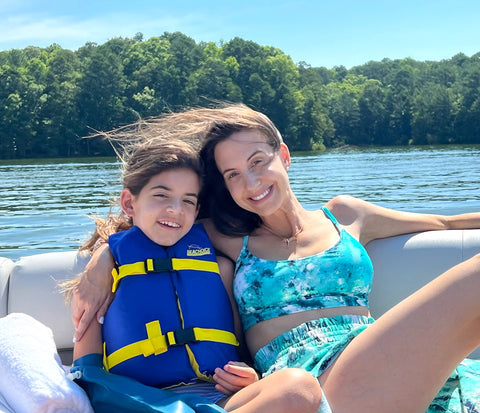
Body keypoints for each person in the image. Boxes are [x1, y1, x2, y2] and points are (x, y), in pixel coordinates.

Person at [73, 104, 480, 413]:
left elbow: (444, 222)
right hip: (308, 381)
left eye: (257, 162)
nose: (250, 183)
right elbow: (153, 229)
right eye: (232, 175)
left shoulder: (346, 214)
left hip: (384, 362)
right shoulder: (225, 237)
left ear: (283, 155)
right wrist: (103, 260)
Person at [70, 139, 324, 413]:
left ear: (197, 210)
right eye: (161, 195)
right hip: (139, 402)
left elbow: (240, 351)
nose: (175, 210)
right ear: (129, 203)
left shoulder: (221, 269)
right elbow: (87, 373)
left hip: (215, 400)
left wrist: (247, 375)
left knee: (299, 387)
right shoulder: (103, 278)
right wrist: (104, 257)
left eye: (188, 201)